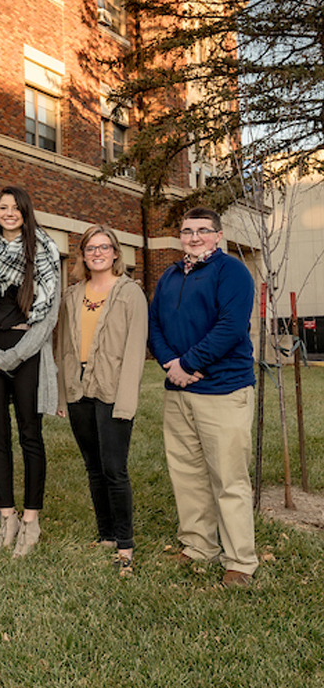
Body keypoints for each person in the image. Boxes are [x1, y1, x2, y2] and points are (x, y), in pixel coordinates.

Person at [148, 207, 258, 587]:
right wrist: (169, 363)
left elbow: (231, 327)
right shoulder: (170, 275)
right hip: (178, 390)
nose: (194, 237)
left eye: (202, 231)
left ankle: (240, 560)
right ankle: (199, 545)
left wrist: (189, 362)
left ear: (218, 234)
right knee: (187, 474)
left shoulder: (232, 273)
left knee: (228, 478)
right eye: (186, 231)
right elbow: (155, 324)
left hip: (223, 390)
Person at [0, 185, 61, 557]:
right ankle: (8, 517)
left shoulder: (45, 250)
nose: (9, 213)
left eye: (15, 207)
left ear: (25, 211)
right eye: (2, 208)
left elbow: (49, 311)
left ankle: (31, 520)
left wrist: (20, 353)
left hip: (27, 350)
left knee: (29, 435)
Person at [56, 225, 147, 573]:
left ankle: (125, 542)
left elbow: (136, 349)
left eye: (104, 247)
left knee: (114, 468)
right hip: (79, 390)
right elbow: (63, 345)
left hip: (112, 389)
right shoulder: (72, 295)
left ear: (115, 253)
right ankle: (106, 533)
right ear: (82, 254)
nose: (97, 253)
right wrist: (64, 394)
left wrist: (126, 400)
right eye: (90, 248)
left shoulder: (130, 293)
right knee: (93, 467)